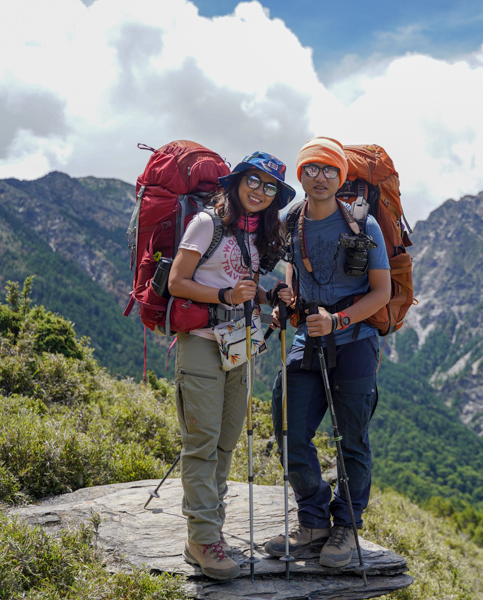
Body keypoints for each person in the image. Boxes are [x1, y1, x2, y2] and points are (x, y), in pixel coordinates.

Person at [167, 151, 295, 581]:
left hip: (239, 344)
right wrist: (224, 299)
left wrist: (267, 296)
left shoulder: (257, 233)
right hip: (203, 342)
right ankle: (204, 539)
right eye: (253, 182)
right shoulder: (206, 224)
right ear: (237, 182)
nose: (259, 191)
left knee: (225, 440)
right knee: (202, 441)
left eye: (269, 186)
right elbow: (177, 282)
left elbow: (242, 283)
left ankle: (208, 529)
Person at [264, 137, 390, 568]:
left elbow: (381, 292)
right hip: (306, 340)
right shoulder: (290, 221)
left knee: (351, 439)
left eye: (329, 170)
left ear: (341, 177)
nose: (320, 177)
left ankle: (346, 527)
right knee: (288, 429)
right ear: (300, 175)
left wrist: (338, 321)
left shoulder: (362, 224)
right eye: (312, 169)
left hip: (353, 343)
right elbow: (293, 269)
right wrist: (287, 301)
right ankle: (313, 518)